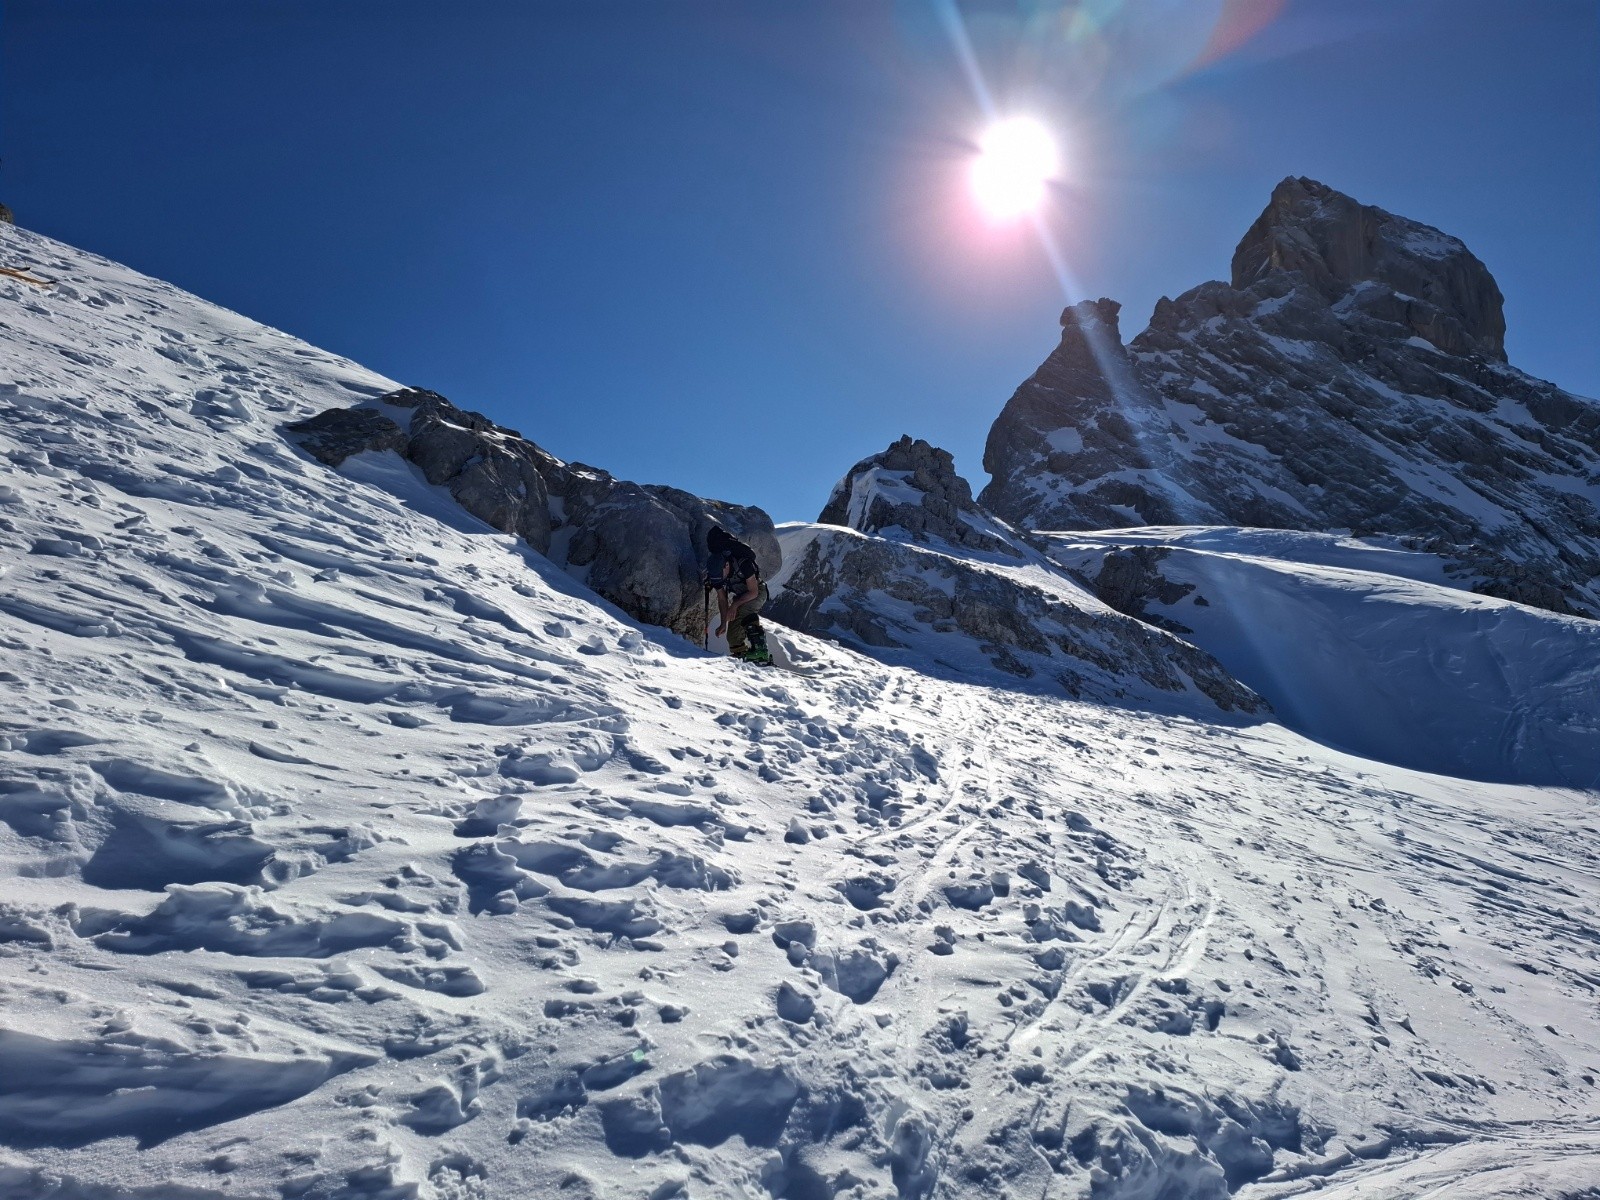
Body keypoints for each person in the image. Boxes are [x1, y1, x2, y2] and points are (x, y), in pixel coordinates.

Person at [703, 526, 771, 664]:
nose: (720, 579)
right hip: (741, 596)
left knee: (745, 610)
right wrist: (723, 623)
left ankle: (760, 651)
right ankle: (740, 653)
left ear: (726, 565)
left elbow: (753, 592)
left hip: (757, 592)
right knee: (732, 636)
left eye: (721, 575)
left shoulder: (744, 564)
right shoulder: (717, 574)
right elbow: (722, 599)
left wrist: (735, 604)